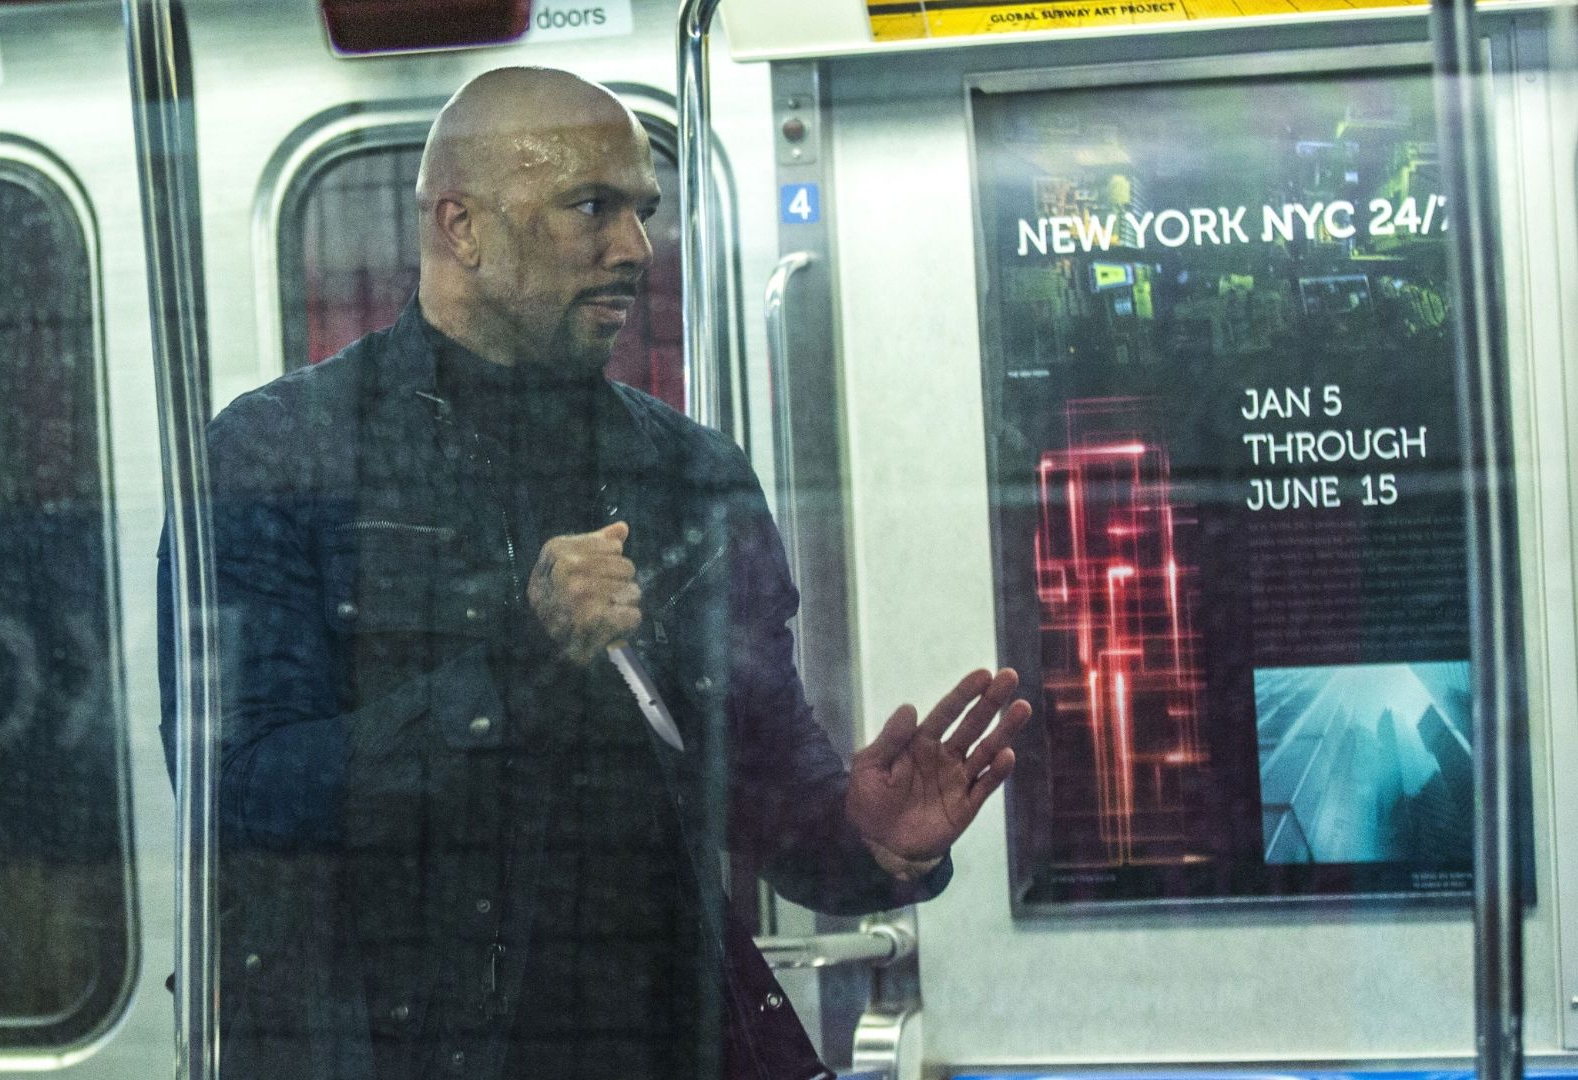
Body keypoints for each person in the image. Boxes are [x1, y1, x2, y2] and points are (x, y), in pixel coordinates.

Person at [158, 66, 1030, 1080]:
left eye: (642, 212)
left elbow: (762, 788)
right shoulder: (279, 457)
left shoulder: (689, 474)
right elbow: (241, 800)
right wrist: (517, 668)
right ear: (461, 225)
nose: (634, 249)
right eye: (590, 207)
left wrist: (873, 842)